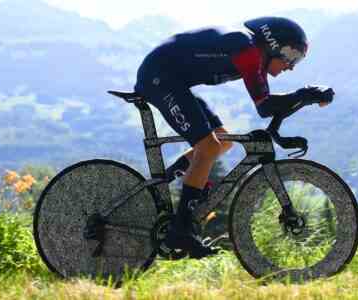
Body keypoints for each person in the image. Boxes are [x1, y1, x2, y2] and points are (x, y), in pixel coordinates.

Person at [134, 16, 335, 258]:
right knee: (208, 148)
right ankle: (181, 229)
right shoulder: (247, 51)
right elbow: (265, 106)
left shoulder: (253, 55)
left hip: (171, 80)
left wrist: (301, 102)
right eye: (292, 56)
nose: (291, 66)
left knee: (223, 140)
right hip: (159, 78)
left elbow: (268, 107)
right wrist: (307, 94)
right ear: (273, 45)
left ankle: (168, 185)